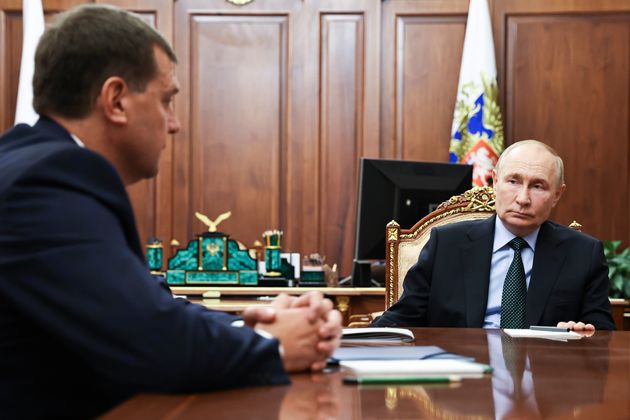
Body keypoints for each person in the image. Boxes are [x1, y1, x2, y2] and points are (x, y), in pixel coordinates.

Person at [0, 5, 341, 418]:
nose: (174, 123)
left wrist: (250, 326)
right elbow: (152, 342)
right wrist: (276, 343)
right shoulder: (51, 180)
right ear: (116, 100)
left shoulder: (29, 163)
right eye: (166, 101)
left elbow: (143, 309)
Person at [372, 139, 615, 331]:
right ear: (495, 181)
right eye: (513, 181)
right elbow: (402, 318)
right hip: (461, 379)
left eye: (538, 186)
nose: (523, 198)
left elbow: (600, 330)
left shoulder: (583, 254)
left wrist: (582, 332)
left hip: (544, 380)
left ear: (557, 195)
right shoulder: (446, 244)